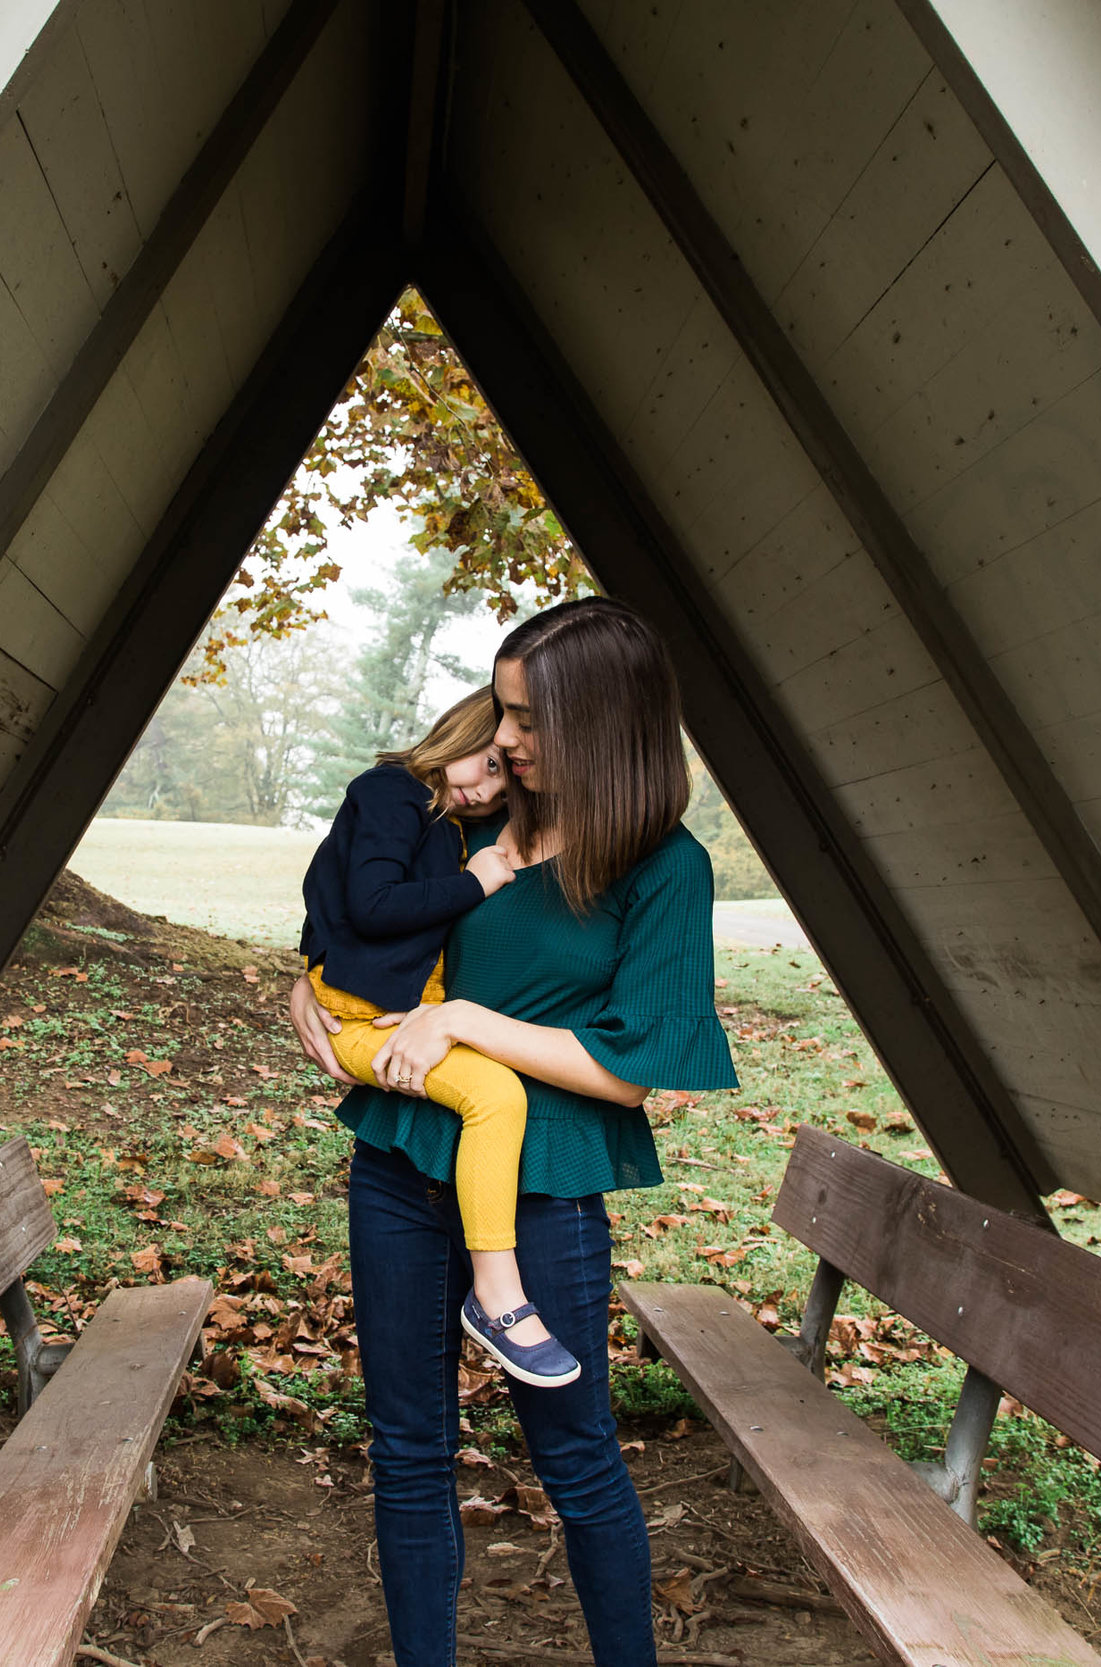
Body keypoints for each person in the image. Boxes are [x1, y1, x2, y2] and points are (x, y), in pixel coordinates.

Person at [289, 597, 737, 1667]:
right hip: (401, 1158)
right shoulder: (466, 821)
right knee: (406, 1447)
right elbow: (360, 915)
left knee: (575, 1454)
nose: (505, 737)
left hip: (544, 1182)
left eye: (530, 717)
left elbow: (628, 1068)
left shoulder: (663, 868)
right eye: (502, 709)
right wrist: (306, 992)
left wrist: (466, 1020)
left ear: (602, 722)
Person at [298, 690, 581, 1386]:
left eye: (497, 786)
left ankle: (494, 1292)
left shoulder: (440, 816)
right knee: (494, 1095)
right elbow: (369, 903)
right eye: (484, 762)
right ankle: (497, 1296)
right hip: (357, 1022)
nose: (481, 790)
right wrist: (473, 884)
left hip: (386, 1013)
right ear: (456, 731)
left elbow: (326, 890)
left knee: (493, 1094)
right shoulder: (396, 792)